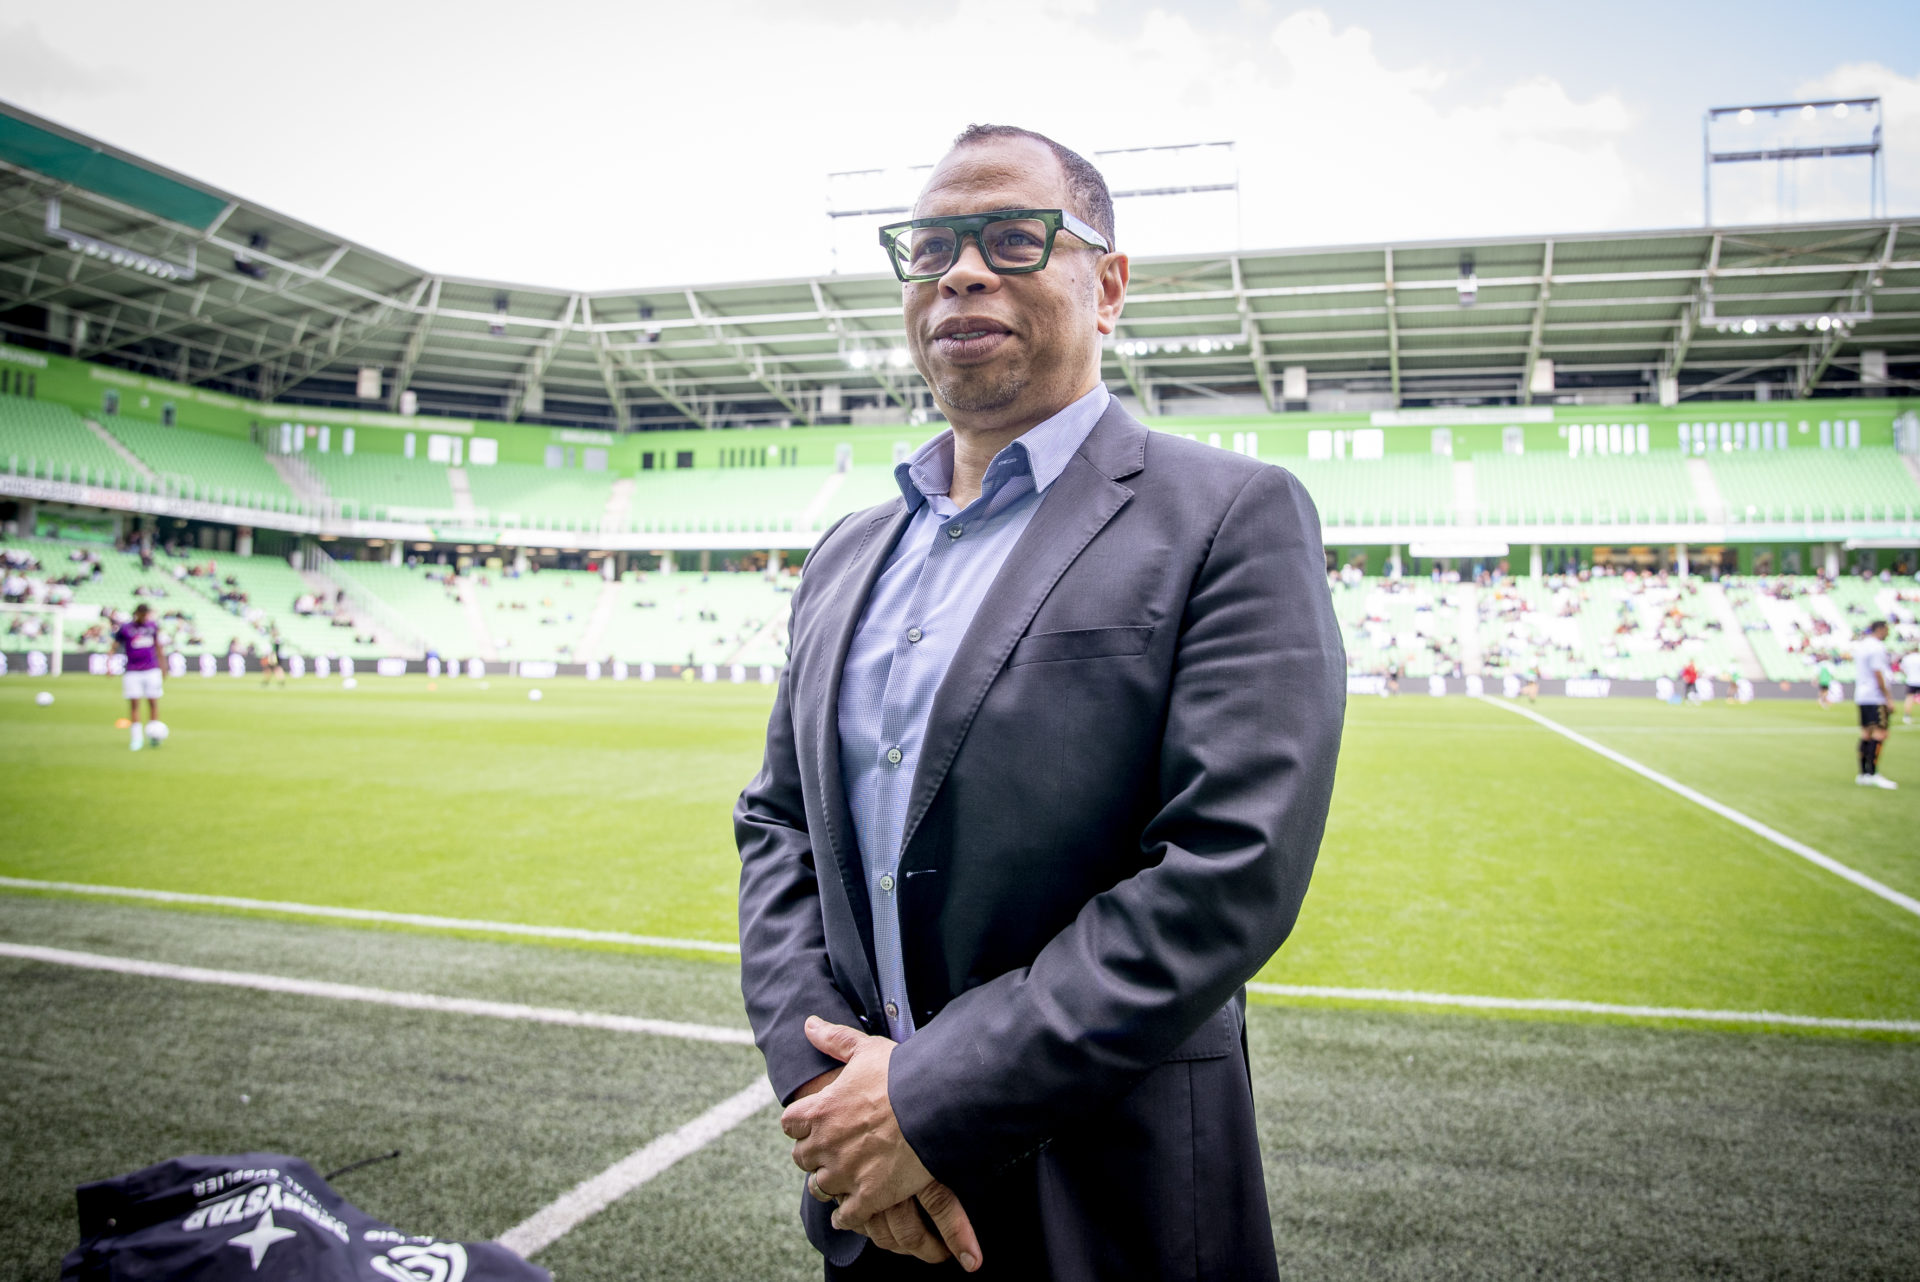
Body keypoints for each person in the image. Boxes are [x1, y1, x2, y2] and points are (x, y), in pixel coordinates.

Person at [737, 124, 1345, 1280]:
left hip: (1112, 1204)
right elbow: (777, 826)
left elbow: (1228, 869)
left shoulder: (1230, 516)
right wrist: (826, 1089)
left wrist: (925, 1099)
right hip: (871, 1203)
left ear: (1107, 288)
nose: (962, 271)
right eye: (931, 249)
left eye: (1014, 238)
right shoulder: (843, 554)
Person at [110, 603, 165, 751]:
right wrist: (109, 663)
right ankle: (136, 738)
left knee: (153, 702)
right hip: (132, 670)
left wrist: (163, 666)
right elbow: (115, 646)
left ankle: (153, 735)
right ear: (137, 613)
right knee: (134, 704)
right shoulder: (126, 628)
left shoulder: (152, 626)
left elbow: (158, 646)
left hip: (151, 669)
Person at [1853, 620, 1897, 789]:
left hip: (1862, 695)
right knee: (1880, 733)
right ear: (1880, 629)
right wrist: (1888, 697)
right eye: (1887, 630)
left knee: (1866, 733)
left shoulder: (1862, 645)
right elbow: (1878, 672)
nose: (1888, 633)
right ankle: (1872, 773)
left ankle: (1863, 774)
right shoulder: (1877, 648)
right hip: (1875, 696)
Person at [1901, 647, 1919, 725]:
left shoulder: (1907, 658)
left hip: (1911, 680)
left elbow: (1903, 669)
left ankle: (1907, 716)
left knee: (1909, 698)